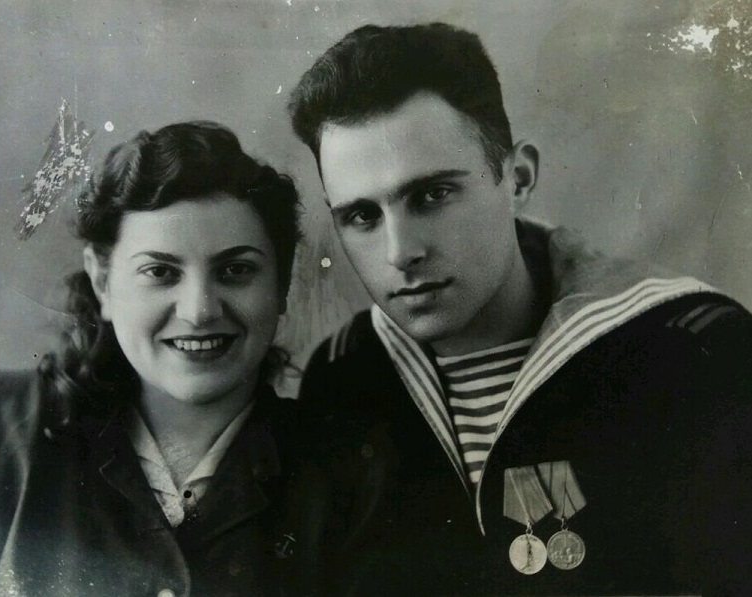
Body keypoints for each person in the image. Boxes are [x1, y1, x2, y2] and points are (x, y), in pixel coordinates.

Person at [285, 22, 752, 596]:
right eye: (362, 216)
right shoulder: (341, 378)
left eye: (432, 195)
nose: (399, 252)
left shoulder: (693, 350)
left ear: (519, 178)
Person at [0, 121, 303, 596]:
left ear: (282, 283)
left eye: (235, 270)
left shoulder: (343, 474)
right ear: (103, 282)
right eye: (160, 272)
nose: (199, 311)